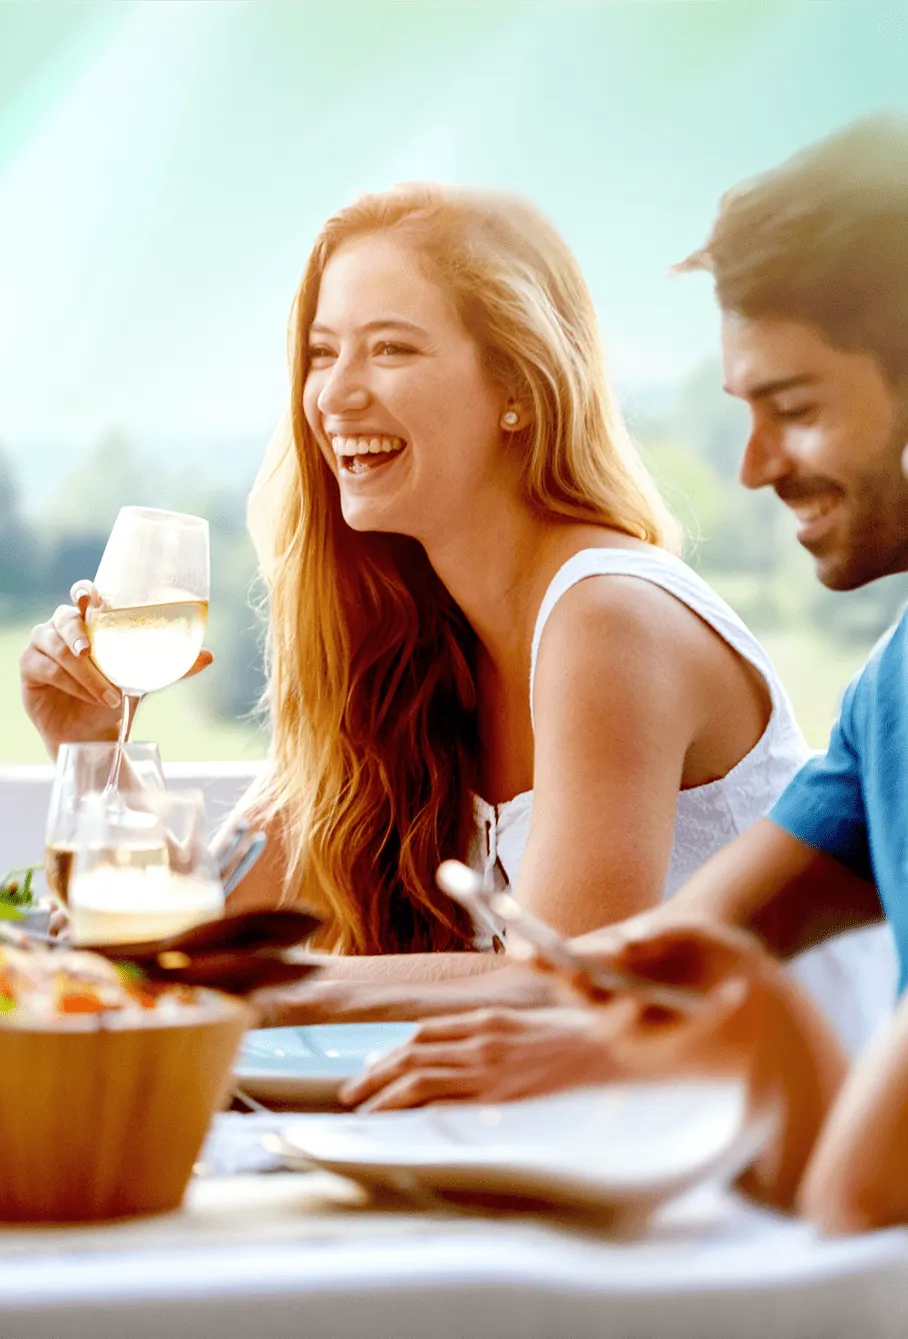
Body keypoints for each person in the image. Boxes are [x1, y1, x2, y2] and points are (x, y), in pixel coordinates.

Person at [20, 181, 863, 1033]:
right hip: (598, 1140)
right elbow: (204, 922)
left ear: (518, 389)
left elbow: (563, 990)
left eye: (390, 349)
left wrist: (246, 981)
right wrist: (93, 749)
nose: (336, 394)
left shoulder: (607, 615)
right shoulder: (406, 636)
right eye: (322, 352)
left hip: (770, 1152)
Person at [346, 115, 908, 1233]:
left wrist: (732, 1028)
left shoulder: (605, 611)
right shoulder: (888, 686)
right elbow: (675, 949)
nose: (753, 468)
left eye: (793, 409)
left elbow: (859, 1198)